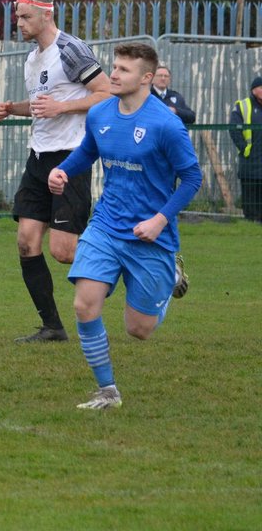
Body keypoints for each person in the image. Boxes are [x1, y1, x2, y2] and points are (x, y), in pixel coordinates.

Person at [48, 42, 202, 409]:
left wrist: (159, 220)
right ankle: (108, 392)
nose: (113, 74)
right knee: (85, 305)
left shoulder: (166, 124)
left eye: (123, 70)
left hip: (150, 234)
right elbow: (88, 151)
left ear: (146, 78)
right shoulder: (100, 113)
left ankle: (171, 278)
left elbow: (192, 178)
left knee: (139, 330)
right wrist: (62, 171)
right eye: (114, 67)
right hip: (105, 225)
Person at [0, 0, 111, 344]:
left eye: (26, 16)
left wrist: (63, 107)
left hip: (71, 157)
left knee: (64, 252)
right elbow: (44, 103)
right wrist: (13, 109)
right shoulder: (32, 59)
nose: (19, 22)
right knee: (27, 241)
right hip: (39, 157)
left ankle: (144, 262)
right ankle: (53, 327)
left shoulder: (71, 50)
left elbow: (106, 93)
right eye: (17, 16)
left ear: (47, 13)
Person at [230, 74, 262, 223]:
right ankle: (250, 221)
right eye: (261, 87)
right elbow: (234, 129)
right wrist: (244, 148)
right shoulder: (243, 105)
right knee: (250, 191)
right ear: (253, 90)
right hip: (250, 158)